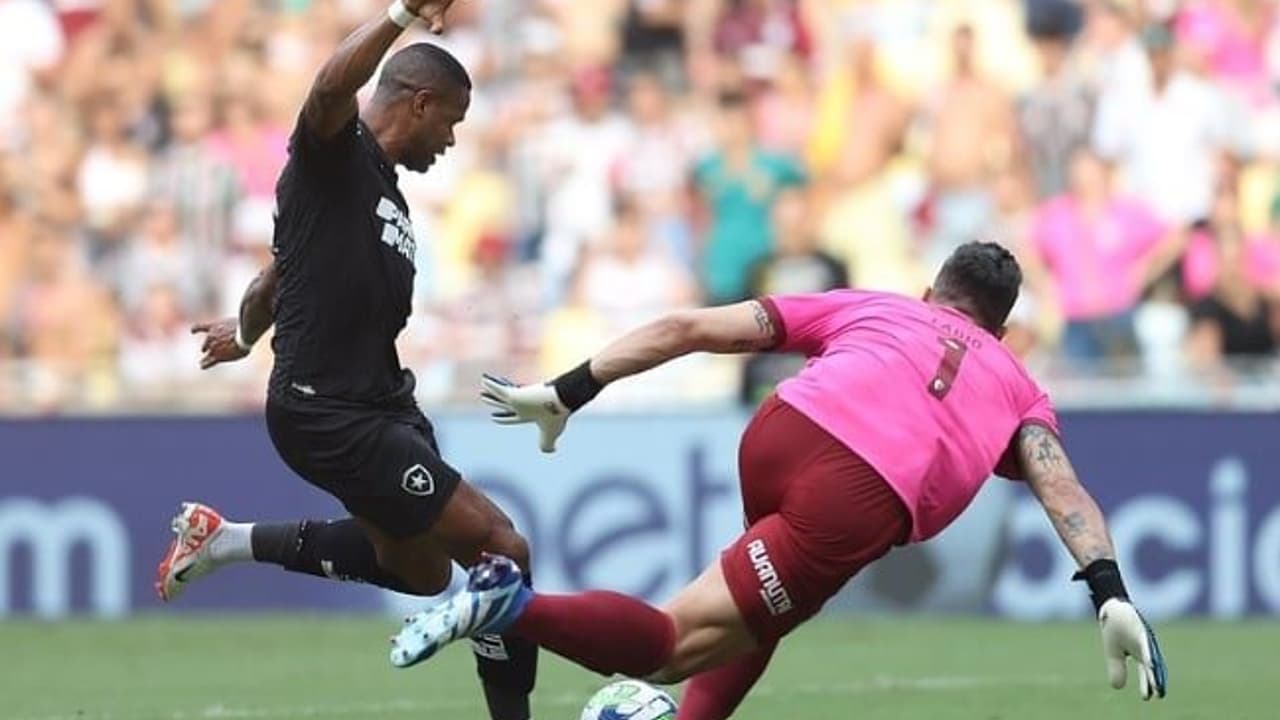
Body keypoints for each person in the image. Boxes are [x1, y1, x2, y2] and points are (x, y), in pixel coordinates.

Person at [387, 242, 1168, 720]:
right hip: (857, 494)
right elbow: (1063, 490)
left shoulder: (873, 306)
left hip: (778, 432)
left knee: (762, 620)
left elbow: (688, 328)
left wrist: (568, 389)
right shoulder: (1016, 383)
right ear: (1001, 329)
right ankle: (509, 604)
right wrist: (1110, 591)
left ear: (932, 292)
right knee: (666, 650)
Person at [153, 3, 539, 719]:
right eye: (451, 120)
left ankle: (225, 541)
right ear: (419, 102)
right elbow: (329, 90)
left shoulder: (384, 192)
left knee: (421, 571)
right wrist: (401, 15)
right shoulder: (337, 152)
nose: (453, 140)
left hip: (381, 402)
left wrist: (244, 332)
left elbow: (278, 275)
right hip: (326, 408)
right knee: (500, 548)